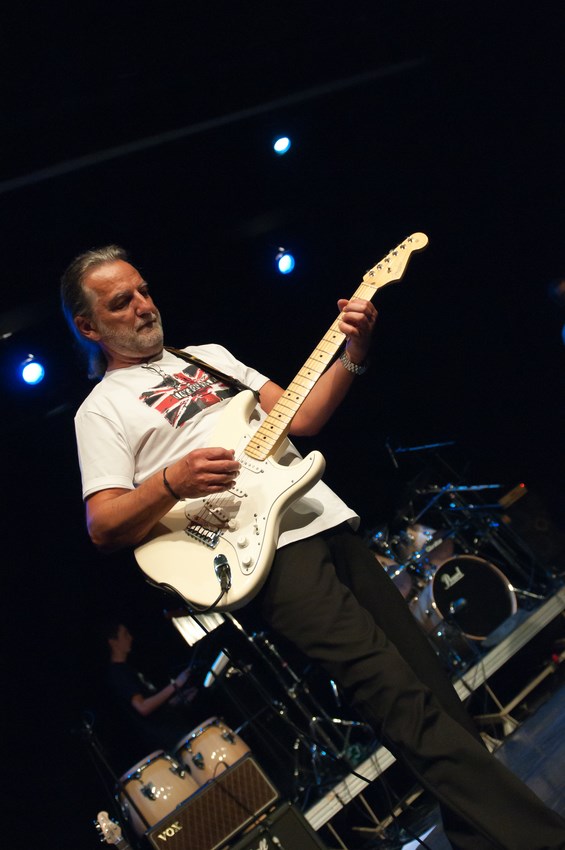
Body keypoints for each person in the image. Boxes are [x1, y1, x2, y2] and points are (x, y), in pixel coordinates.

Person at [61, 244, 565, 850]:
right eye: (122, 302)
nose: (144, 306)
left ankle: (480, 839)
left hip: (323, 520)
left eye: (143, 290)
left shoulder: (208, 357)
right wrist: (172, 479)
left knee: (433, 690)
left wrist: (355, 352)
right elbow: (103, 523)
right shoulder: (100, 410)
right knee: (397, 697)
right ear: (89, 327)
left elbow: (301, 420)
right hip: (264, 558)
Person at [103, 620, 198, 754]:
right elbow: (143, 707)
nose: (130, 638)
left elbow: (153, 706)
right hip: (168, 739)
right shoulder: (118, 673)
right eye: (125, 634)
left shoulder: (128, 669)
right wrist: (176, 684)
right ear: (113, 642)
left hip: (175, 732)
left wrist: (177, 700)